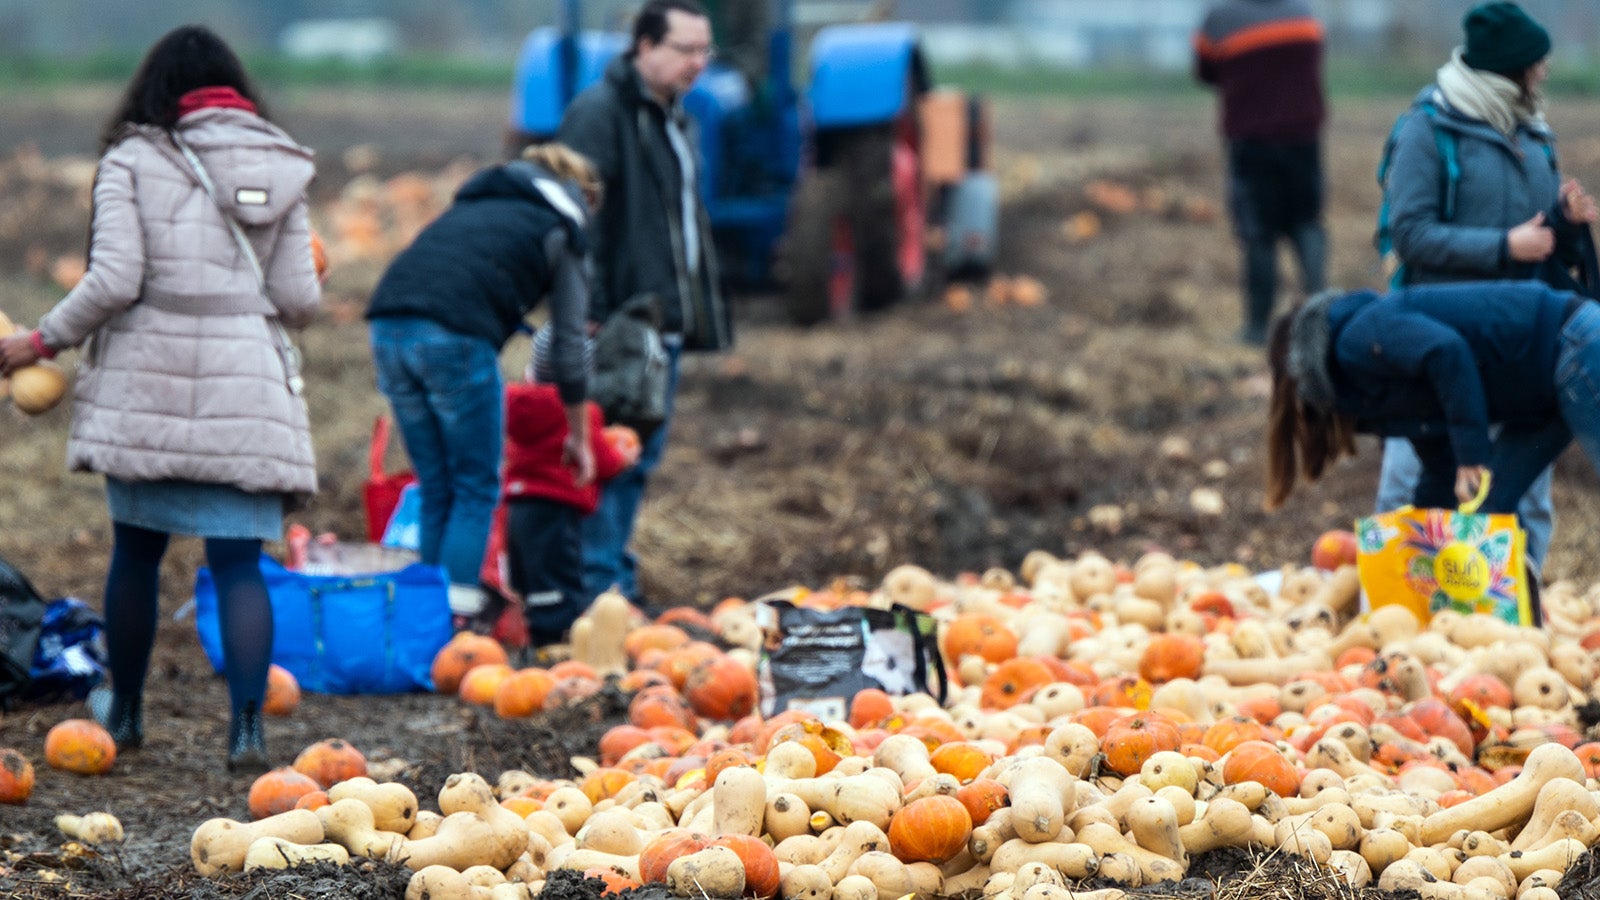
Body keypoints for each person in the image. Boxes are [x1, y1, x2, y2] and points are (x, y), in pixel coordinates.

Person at [0, 25, 320, 771]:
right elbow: (301, 301)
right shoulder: (281, 163)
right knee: (239, 565)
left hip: (147, 380)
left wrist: (41, 342)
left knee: (137, 556)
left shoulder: (132, 159)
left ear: (156, 88)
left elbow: (114, 279)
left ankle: (128, 712)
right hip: (246, 387)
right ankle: (248, 731)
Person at [1373, 1, 1599, 574]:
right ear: (1509, 66)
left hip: (1520, 339)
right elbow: (1410, 234)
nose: (1544, 71)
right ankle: (1400, 602)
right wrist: (1502, 246)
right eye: (1537, 62)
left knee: (1527, 498)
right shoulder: (1428, 129)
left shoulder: (1533, 132)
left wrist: (1566, 223)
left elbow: (1539, 239)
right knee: (1409, 486)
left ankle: (1518, 605)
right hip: (1436, 335)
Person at [365, 144, 600, 633]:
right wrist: (578, 436)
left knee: (436, 485)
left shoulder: (472, 208)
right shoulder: (560, 227)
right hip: (454, 336)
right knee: (475, 487)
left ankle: (422, 624)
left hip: (387, 326)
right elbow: (570, 345)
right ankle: (455, 623)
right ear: (579, 194)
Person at [559, 0, 732, 608]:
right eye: (686, 49)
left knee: (636, 456)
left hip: (660, 321)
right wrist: (588, 307)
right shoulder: (601, 114)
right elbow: (575, 217)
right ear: (645, 47)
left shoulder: (674, 118)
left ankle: (613, 582)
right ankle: (597, 594)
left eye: (705, 50)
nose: (698, 62)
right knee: (613, 457)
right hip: (620, 321)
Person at [1265, 284, 1599, 537]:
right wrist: (1417, 537)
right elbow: (1441, 465)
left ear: (1303, 378)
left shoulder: (1360, 336)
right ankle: (1517, 604)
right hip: (1542, 388)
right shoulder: (1372, 389)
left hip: (1572, 343)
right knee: (1487, 510)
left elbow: (1448, 352)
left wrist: (1471, 457)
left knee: (1486, 501)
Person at [1194, 0, 1328, 346]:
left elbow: (1204, 72)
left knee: (1258, 231)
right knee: (1306, 221)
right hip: (1303, 135)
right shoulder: (1304, 15)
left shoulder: (1221, 18)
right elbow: (1315, 59)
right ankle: (1321, 316)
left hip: (1251, 138)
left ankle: (1256, 328)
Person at [503, 331, 637, 649]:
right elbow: (601, 462)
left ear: (531, 371)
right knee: (558, 575)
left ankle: (531, 634)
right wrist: (623, 457)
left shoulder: (512, 404)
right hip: (555, 508)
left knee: (530, 575)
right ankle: (557, 640)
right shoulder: (580, 413)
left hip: (517, 506)